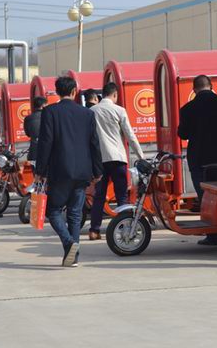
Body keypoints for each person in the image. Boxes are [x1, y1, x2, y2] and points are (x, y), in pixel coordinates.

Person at [35, 76, 103, 267]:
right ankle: (73, 257)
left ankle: (68, 242)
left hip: (60, 170)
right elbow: (94, 143)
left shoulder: (50, 112)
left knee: (53, 211)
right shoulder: (87, 114)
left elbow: (45, 143)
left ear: (57, 92)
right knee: (75, 214)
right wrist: (98, 171)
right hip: (82, 171)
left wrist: (40, 170)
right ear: (74, 92)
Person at [178, 75, 217, 245]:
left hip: (199, 160)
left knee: (206, 198)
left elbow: (183, 134)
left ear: (194, 90)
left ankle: (212, 235)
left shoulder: (187, 109)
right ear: (211, 86)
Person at [88, 82, 145, 240]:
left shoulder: (92, 111)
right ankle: (125, 227)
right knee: (122, 196)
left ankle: (94, 230)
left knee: (99, 195)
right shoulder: (119, 110)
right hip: (118, 158)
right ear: (115, 95)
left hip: (99, 160)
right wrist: (141, 156)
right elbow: (130, 135)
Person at [23, 96, 47, 162]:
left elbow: (28, 134)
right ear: (43, 105)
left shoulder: (28, 118)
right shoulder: (49, 116)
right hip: (48, 151)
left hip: (34, 151)